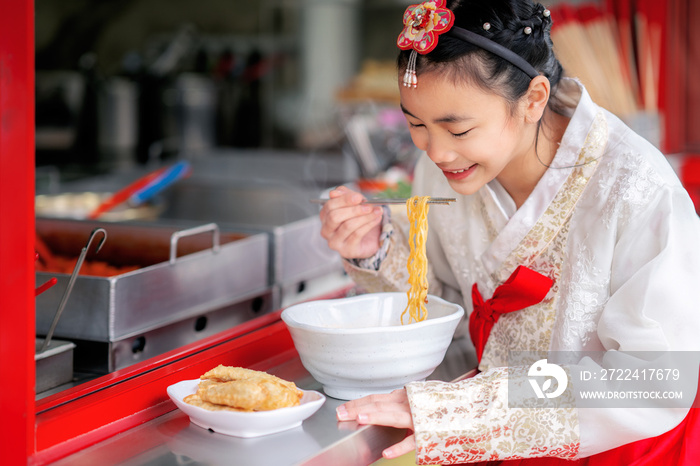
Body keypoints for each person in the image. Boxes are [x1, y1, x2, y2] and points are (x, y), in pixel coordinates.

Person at [319, 0, 700, 464]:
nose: (435, 152)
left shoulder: (634, 187)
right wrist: (374, 251)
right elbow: (442, 307)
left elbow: (656, 381)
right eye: (416, 123)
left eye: (456, 129)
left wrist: (470, 411)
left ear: (534, 99)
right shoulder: (445, 167)